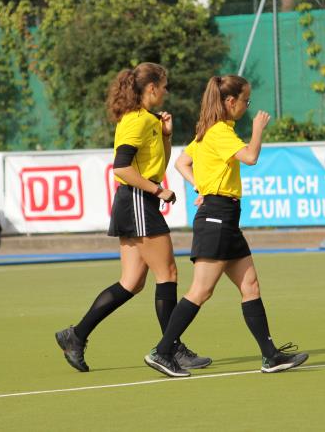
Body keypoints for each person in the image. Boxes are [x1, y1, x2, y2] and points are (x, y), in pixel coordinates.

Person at [144, 75, 309, 377]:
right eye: (246, 100)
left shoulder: (211, 131)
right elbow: (251, 157)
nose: (248, 106)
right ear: (230, 101)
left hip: (226, 218)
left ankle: (270, 356)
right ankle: (162, 351)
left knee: (250, 286)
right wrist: (257, 130)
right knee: (201, 291)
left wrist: (201, 186)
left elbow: (182, 163)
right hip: (217, 218)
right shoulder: (219, 131)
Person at [55, 62, 211, 373]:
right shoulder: (135, 121)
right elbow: (122, 168)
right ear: (151, 88)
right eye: (164, 86)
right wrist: (157, 190)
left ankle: (76, 335)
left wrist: (166, 136)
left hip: (137, 200)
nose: (166, 91)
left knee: (131, 283)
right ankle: (170, 349)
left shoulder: (149, 120)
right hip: (138, 200)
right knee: (167, 273)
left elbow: (158, 164)